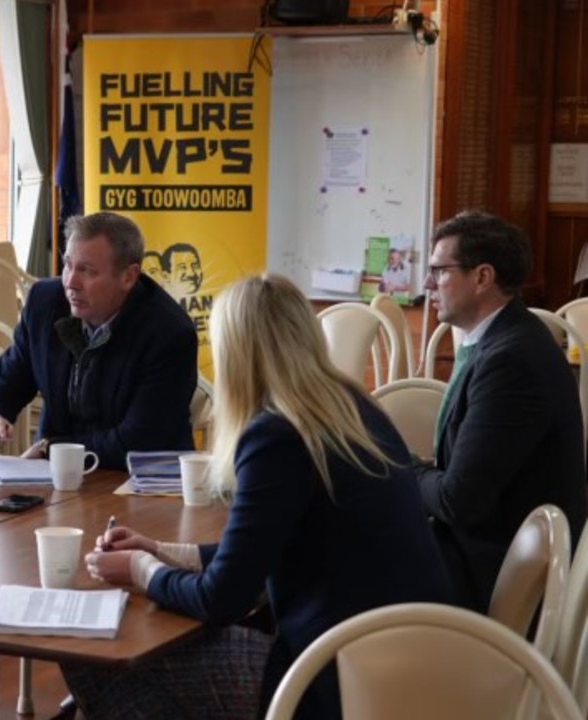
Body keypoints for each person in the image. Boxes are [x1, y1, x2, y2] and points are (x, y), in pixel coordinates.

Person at [65, 274, 451, 719]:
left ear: (237, 353)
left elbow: (224, 599)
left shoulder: (276, 434)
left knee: (95, 657)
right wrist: (161, 551)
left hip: (330, 677)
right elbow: (261, 551)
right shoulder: (346, 403)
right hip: (413, 655)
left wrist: (139, 568)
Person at [418, 211, 586, 611]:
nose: (428, 283)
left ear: (482, 278)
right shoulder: (504, 340)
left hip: (498, 577)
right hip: (489, 551)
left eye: (440, 271)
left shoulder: (512, 360)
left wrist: (399, 467)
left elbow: (459, 501)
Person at [0, 212, 197, 469]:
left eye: (87, 271)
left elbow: (138, 441)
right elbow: (9, 379)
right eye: (67, 265)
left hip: (141, 481)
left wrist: (49, 449)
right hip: (58, 477)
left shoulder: (169, 333)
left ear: (129, 277)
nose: (71, 283)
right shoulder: (45, 303)